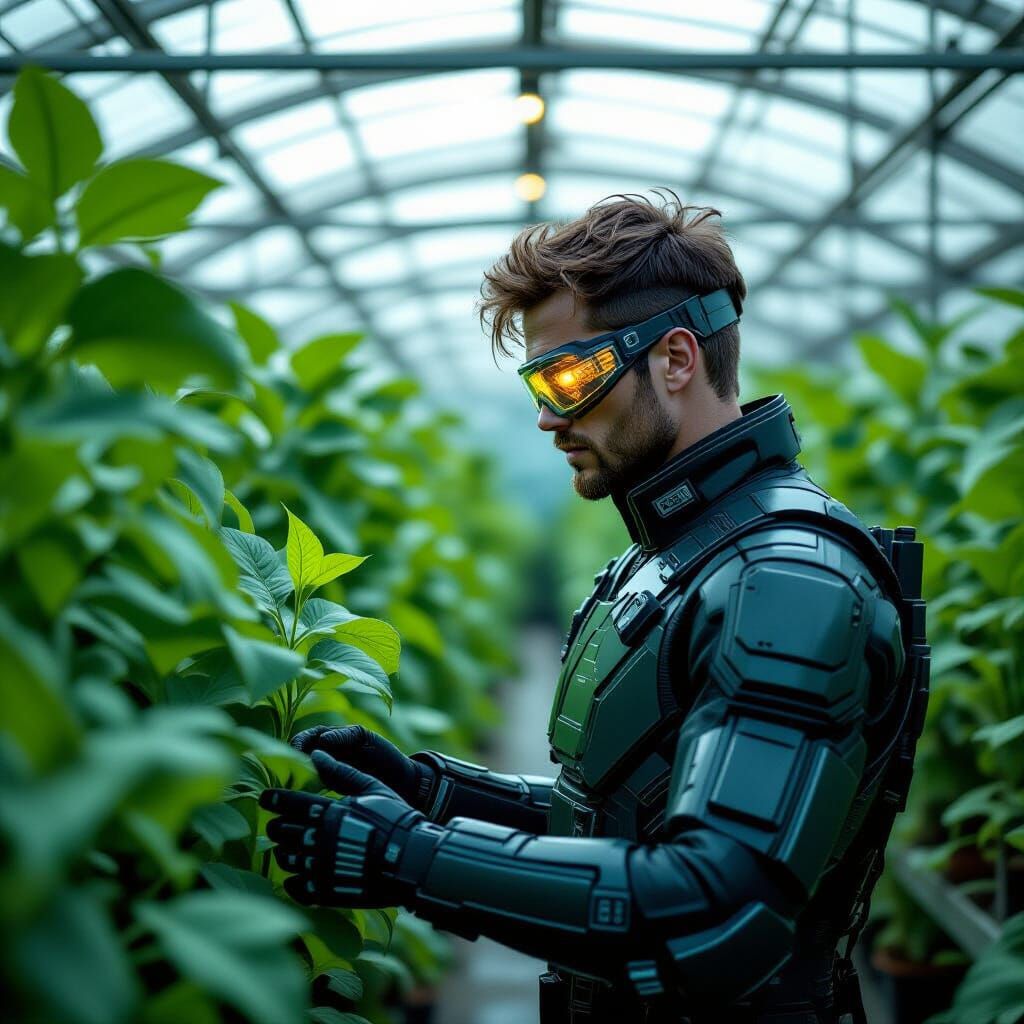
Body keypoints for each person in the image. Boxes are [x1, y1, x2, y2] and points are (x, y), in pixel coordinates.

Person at [260, 192, 930, 1024]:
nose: (547, 416)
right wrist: (432, 792)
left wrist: (413, 858)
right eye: (539, 383)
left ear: (676, 358)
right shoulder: (682, 554)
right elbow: (626, 819)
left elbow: (718, 906)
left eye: (571, 376)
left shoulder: (787, 578)